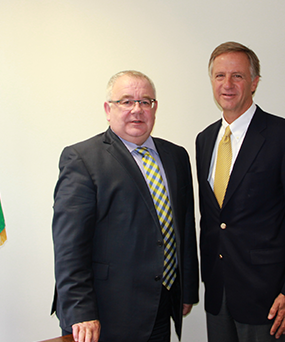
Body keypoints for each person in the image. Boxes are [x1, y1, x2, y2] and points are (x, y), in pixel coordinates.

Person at [52, 70, 199, 342]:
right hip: (104, 314)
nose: (137, 110)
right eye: (126, 101)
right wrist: (81, 310)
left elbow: (185, 228)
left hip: (160, 306)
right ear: (108, 110)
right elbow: (69, 246)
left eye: (145, 102)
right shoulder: (82, 159)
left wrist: (186, 290)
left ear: (155, 109)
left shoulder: (176, 156)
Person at [196, 42, 285, 342]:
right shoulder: (204, 140)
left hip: (269, 299)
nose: (227, 85)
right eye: (219, 76)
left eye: (237, 76)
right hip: (218, 293)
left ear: (254, 83)